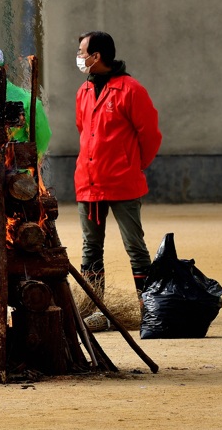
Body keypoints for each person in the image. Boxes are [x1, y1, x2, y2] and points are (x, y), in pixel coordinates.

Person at [74, 30, 162, 330]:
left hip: (123, 183)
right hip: (88, 184)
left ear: (97, 56)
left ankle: (149, 308)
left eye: (82, 51)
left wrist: (134, 165)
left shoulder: (131, 90)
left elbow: (150, 135)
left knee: (135, 246)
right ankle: (91, 308)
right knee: (90, 248)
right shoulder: (83, 91)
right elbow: (82, 130)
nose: (80, 56)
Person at [0, 46, 52, 159]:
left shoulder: (26, 100)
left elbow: (43, 136)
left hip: (16, 168)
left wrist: (33, 159)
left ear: (3, 68)